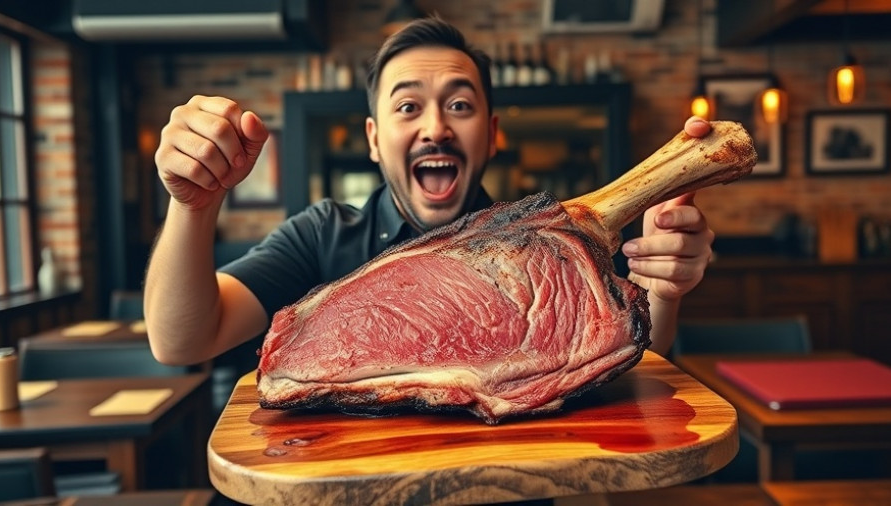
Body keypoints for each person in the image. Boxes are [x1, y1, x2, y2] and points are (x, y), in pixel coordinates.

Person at [144, 17, 714, 365]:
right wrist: (193, 206)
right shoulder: (321, 236)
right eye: (408, 106)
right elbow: (183, 342)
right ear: (374, 138)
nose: (436, 127)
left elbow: (637, 361)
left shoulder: (553, 247)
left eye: (460, 105)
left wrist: (663, 291)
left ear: (491, 135)